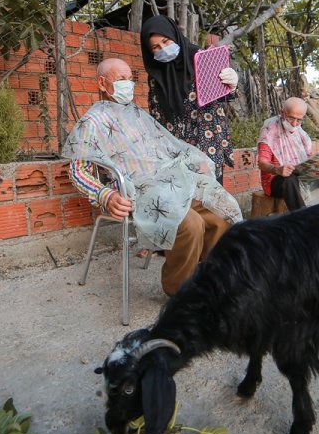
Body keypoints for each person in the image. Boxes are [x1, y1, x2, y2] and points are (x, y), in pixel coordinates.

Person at [63, 57, 243, 296]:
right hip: (140, 192)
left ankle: (210, 277)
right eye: (120, 79)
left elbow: (165, 147)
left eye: (130, 79)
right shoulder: (92, 122)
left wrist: (191, 161)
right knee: (191, 224)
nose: (128, 84)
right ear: (102, 83)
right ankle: (180, 292)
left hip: (170, 184)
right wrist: (104, 195)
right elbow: (77, 170)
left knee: (221, 212)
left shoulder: (137, 114)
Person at [140, 15, 238, 184]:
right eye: (156, 47)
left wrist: (232, 85)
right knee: (184, 202)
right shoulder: (156, 76)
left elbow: (223, 94)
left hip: (207, 140)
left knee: (211, 198)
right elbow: (157, 116)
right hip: (176, 148)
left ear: (174, 35)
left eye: (166, 41)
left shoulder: (201, 58)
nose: (163, 48)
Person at [257, 97, 319, 212]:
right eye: (291, 118)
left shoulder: (300, 133)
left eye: (299, 120)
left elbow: (310, 159)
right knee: (288, 179)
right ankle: (304, 218)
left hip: (301, 177)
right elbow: (262, 163)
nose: (295, 124)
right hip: (275, 182)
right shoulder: (269, 131)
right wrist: (277, 169)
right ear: (282, 112)